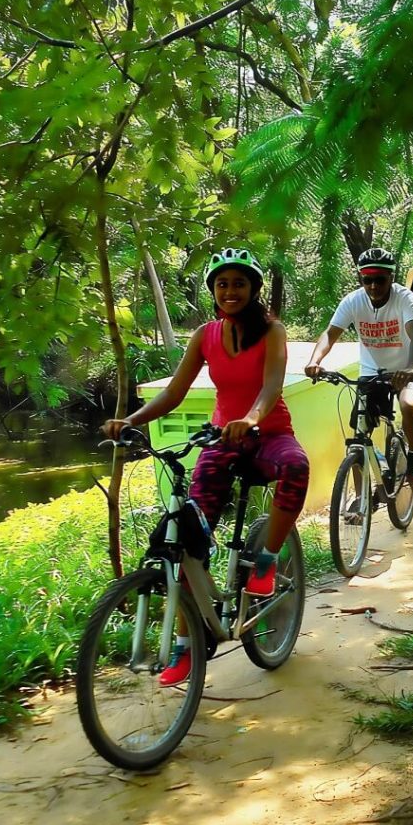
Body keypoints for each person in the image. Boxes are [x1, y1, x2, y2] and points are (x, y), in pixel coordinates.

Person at [102, 248, 309, 685]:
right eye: (222, 284)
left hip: (268, 434)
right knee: (186, 543)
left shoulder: (272, 331)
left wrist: (250, 420)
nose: (229, 291)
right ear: (213, 290)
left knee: (296, 466)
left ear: (253, 289)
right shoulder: (205, 335)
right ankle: (185, 644)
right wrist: (132, 420)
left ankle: (267, 561)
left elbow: (272, 385)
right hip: (222, 438)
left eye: (238, 283)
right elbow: (175, 392)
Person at [305, 247, 413, 482]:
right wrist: (315, 361)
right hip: (372, 371)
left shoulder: (405, 298)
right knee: (358, 436)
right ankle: (360, 500)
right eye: (367, 280)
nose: (373, 286)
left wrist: (411, 366)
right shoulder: (353, 301)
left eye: (379, 280)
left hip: (407, 368)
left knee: (409, 405)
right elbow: (330, 335)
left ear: (391, 278)